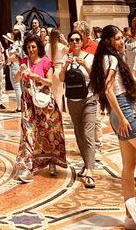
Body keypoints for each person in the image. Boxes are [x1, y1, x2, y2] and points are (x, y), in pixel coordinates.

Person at [90, 25, 136, 230]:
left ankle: (129, 217)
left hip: (123, 110)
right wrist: (122, 118)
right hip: (123, 112)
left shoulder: (112, 59)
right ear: (108, 41)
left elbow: (127, 93)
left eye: (122, 38)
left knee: (128, 167)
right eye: (118, 38)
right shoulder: (111, 59)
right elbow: (108, 90)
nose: (122, 41)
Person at [13, 33, 66, 183]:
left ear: (39, 47)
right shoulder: (24, 61)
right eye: (29, 47)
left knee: (49, 132)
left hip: (44, 104)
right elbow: (16, 80)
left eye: (34, 47)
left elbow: (50, 82)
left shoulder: (45, 61)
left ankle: (51, 162)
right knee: (28, 132)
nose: (31, 50)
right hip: (28, 104)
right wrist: (20, 71)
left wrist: (36, 78)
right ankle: (27, 167)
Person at [59, 30, 96, 188]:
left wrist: (85, 65)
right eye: (72, 40)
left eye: (78, 40)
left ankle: (90, 170)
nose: (75, 42)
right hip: (72, 101)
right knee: (79, 134)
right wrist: (65, 66)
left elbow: (95, 78)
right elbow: (60, 79)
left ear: (82, 42)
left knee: (88, 134)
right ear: (69, 43)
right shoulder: (65, 58)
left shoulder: (90, 57)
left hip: (89, 99)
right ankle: (86, 164)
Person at [4, 29, 23, 112]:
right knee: (21, 87)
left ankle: (19, 106)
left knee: (17, 87)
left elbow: (13, 57)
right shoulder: (21, 43)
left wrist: (7, 58)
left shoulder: (14, 45)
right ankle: (23, 105)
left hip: (15, 66)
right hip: (21, 65)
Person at [49, 28, 68, 108]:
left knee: (52, 94)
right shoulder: (61, 46)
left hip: (50, 70)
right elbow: (71, 50)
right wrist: (65, 41)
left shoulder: (47, 46)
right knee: (59, 95)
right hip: (59, 69)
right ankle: (59, 116)